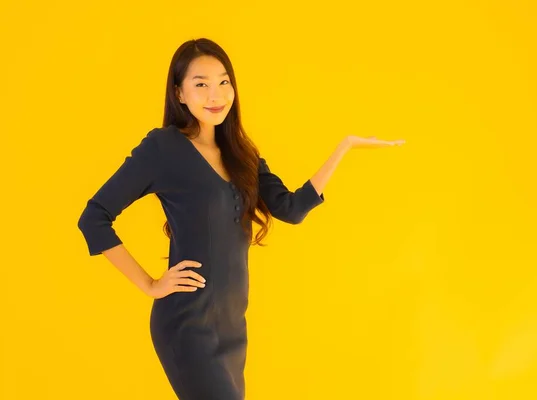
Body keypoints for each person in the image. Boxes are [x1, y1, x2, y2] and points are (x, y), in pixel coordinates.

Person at [77, 38, 405, 400]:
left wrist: (344, 148)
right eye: (200, 84)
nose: (215, 94)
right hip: (187, 325)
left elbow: (291, 209)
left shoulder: (241, 152)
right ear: (179, 93)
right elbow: (94, 217)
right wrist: (150, 284)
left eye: (224, 81)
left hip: (232, 328)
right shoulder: (163, 147)